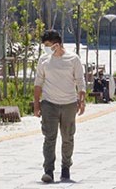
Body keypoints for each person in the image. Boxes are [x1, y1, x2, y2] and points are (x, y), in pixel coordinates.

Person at [34, 30, 86, 183]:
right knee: (49, 137)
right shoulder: (43, 60)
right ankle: (48, 170)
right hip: (49, 103)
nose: (46, 48)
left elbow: (80, 81)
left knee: (68, 137)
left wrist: (81, 100)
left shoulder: (73, 59)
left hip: (69, 104)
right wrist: (37, 105)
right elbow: (38, 83)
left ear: (57, 44)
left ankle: (66, 167)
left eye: (48, 45)